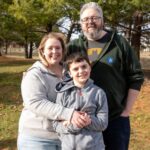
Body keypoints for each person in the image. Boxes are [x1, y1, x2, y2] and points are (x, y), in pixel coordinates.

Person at [66, 2, 144, 150]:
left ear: (102, 20)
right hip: (82, 120)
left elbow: (136, 77)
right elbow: (59, 73)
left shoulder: (118, 43)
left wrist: (126, 111)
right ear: (81, 23)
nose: (90, 22)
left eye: (95, 17)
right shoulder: (74, 46)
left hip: (115, 119)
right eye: (85, 19)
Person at [17, 32, 91, 150]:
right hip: (37, 139)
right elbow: (36, 103)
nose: (54, 51)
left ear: (63, 50)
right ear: (42, 51)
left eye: (58, 48)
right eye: (50, 48)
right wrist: (69, 114)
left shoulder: (69, 73)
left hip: (65, 137)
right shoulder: (35, 74)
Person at [53, 52, 108, 150]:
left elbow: (103, 124)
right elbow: (56, 125)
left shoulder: (99, 93)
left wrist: (88, 121)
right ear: (70, 73)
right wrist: (73, 125)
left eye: (84, 67)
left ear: (90, 68)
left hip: (94, 147)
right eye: (75, 69)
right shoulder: (63, 93)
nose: (81, 71)